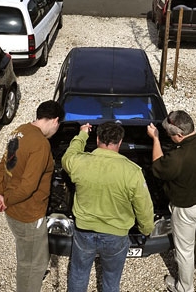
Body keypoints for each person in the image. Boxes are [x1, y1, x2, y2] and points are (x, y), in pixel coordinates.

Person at [62, 121, 154, 292]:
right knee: (112, 279)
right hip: (116, 234)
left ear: (97, 139)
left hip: (84, 231)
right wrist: (146, 228)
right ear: (120, 142)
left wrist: (82, 134)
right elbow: (144, 206)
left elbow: (67, 156)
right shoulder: (132, 171)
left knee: (79, 273)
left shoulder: (78, 163)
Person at [146, 111, 196, 292]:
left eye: (170, 135)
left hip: (187, 208)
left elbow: (158, 168)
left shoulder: (178, 158)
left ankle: (184, 287)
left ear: (180, 135)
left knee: (184, 249)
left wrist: (156, 139)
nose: (169, 137)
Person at [0, 100, 64, 292]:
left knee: (25, 255)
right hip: (29, 214)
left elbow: (3, 167)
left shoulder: (19, 131)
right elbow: (29, 186)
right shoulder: (41, 144)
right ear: (55, 120)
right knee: (33, 265)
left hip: (13, 211)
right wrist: (4, 200)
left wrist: (0, 194)